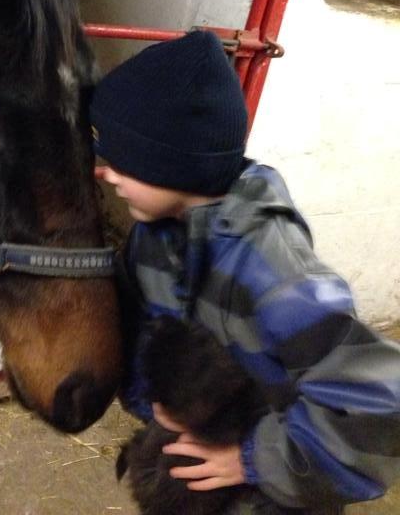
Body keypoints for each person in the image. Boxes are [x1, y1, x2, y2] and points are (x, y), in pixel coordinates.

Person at [90, 30, 400, 514]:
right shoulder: (152, 234)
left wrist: (254, 461)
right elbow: (134, 328)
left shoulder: (271, 267)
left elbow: (378, 401)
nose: (104, 172)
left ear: (171, 164)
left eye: (120, 160)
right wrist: (152, 405)